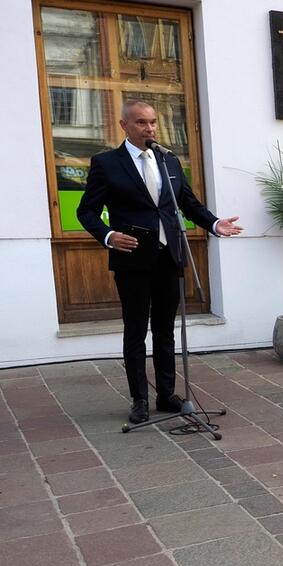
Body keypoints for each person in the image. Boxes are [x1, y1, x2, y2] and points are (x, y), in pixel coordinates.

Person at [77, 100, 242, 425]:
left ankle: (166, 394)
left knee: (166, 328)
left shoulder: (169, 160)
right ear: (124, 125)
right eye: (141, 122)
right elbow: (86, 211)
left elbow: (189, 204)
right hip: (132, 258)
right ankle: (139, 398)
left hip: (169, 256)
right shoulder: (106, 163)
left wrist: (213, 224)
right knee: (136, 330)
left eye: (152, 122)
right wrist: (108, 236)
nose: (150, 128)